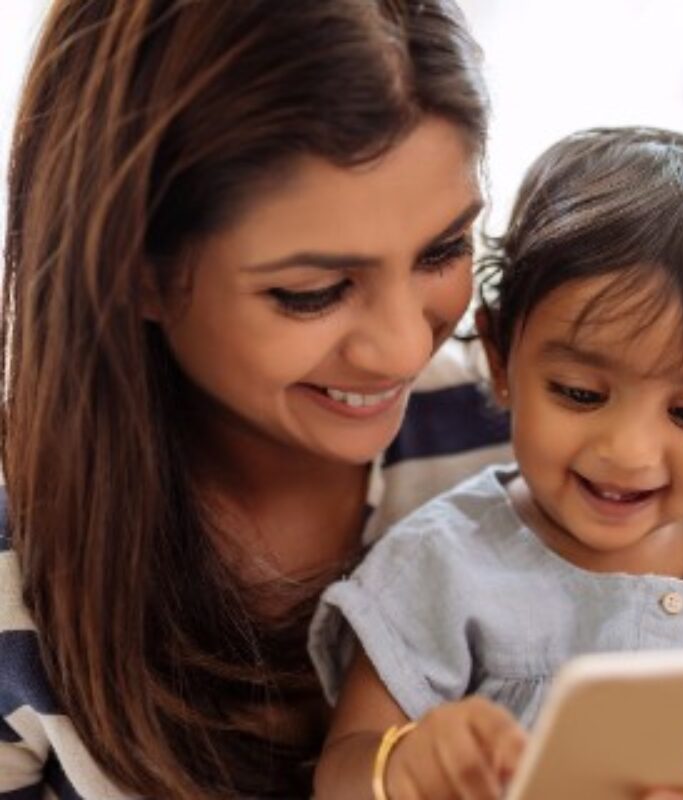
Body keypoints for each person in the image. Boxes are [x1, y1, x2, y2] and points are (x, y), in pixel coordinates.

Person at [0, 1, 511, 797]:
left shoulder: (520, 434)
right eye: (313, 292)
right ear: (134, 267)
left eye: (443, 250)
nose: (406, 347)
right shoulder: (13, 577)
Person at [311, 127, 683, 799]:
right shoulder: (438, 567)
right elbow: (340, 772)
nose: (628, 452)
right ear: (502, 362)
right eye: (580, 394)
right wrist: (407, 763)